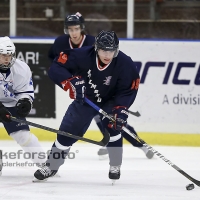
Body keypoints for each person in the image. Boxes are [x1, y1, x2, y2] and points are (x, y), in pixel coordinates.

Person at [33, 30, 146, 183]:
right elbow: (56, 67)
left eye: (111, 50)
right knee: (67, 131)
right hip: (87, 98)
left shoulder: (125, 64)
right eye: (104, 50)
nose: (107, 55)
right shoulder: (81, 55)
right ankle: (51, 165)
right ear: (96, 48)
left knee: (114, 125)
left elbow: (127, 90)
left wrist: (121, 109)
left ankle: (115, 164)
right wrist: (69, 82)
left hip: (112, 100)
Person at [48, 12, 154, 161]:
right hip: (84, 90)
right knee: (98, 118)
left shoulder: (92, 42)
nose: (74, 33)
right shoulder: (60, 43)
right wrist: (68, 81)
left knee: (112, 120)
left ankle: (139, 144)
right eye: (70, 29)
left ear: (82, 28)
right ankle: (108, 141)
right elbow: (54, 62)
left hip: (103, 89)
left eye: (76, 29)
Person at [0, 36, 47, 175]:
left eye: (9, 55)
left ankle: (45, 164)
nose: (7, 59)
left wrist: (25, 101)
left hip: (10, 103)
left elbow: (25, 91)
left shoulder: (21, 69)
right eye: (3, 55)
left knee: (23, 135)